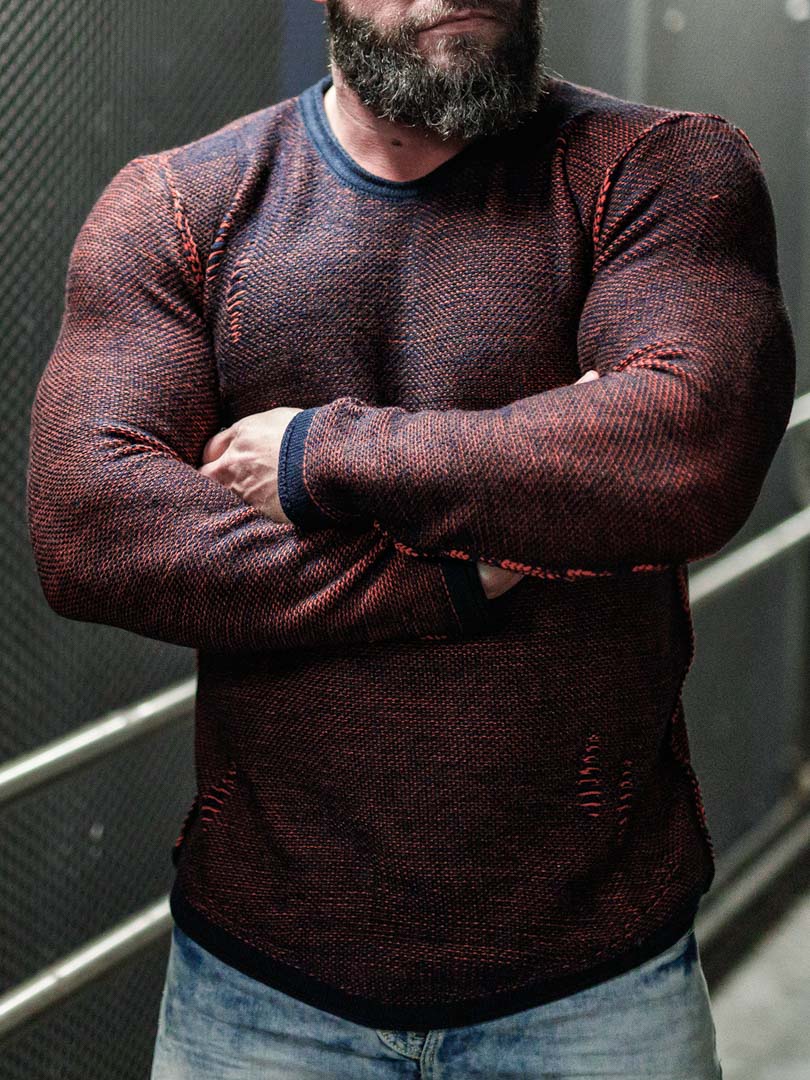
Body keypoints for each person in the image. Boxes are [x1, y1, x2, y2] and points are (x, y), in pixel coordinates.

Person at [26, 1, 796, 1076]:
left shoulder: (657, 169)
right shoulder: (179, 205)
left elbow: (687, 443)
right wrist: (457, 577)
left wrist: (314, 456)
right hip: (259, 994)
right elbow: (90, 528)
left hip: (595, 988)